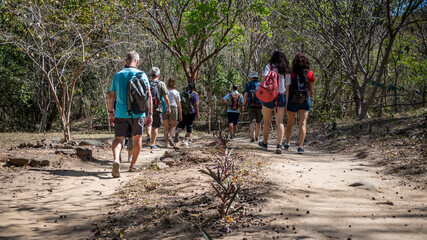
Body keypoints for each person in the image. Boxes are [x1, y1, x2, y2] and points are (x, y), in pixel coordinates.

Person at [108, 51, 152, 177]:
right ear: (137, 62)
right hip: (138, 114)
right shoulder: (142, 75)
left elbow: (111, 96)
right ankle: (132, 166)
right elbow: (148, 95)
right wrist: (150, 114)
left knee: (118, 139)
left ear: (126, 61)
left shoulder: (118, 75)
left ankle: (116, 159)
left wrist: (111, 112)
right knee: (137, 138)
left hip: (121, 113)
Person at [258, 49, 291, 154]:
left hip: (268, 96)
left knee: (267, 121)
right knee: (280, 122)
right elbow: (287, 87)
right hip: (280, 97)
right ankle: (279, 145)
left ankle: (265, 142)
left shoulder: (269, 66)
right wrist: (286, 102)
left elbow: (264, 78)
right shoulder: (286, 69)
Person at [284, 53, 315, 154]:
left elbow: (287, 89)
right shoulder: (310, 73)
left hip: (292, 101)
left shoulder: (291, 73)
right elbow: (311, 90)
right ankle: (300, 146)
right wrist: (307, 98)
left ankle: (287, 143)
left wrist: (286, 102)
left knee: (290, 122)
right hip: (305, 101)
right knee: (303, 123)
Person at [145, 67, 171, 150]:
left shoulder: (146, 83)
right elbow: (165, 97)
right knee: (155, 126)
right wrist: (168, 107)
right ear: (158, 75)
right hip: (157, 108)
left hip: (147, 107)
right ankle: (153, 143)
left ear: (150, 74)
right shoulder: (161, 84)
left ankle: (148, 137)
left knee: (148, 123)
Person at [241, 71, 263, 142]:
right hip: (260, 105)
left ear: (252, 77)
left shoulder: (249, 84)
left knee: (252, 122)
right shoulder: (261, 84)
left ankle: (253, 137)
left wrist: (243, 105)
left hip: (251, 105)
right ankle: (257, 136)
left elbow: (245, 95)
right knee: (259, 122)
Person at [163, 77, 182, 148]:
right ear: (175, 83)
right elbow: (179, 105)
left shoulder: (165, 92)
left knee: (166, 127)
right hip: (173, 108)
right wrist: (180, 114)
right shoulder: (176, 92)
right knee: (173, 126)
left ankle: (166, 143)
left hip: (165, 108)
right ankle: (170, 137)